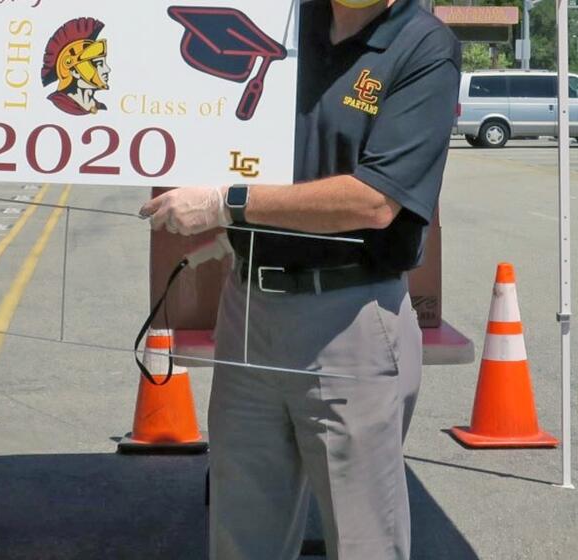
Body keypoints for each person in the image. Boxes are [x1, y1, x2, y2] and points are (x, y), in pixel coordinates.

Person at [139, 0, 460, 558]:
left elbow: (376, 200)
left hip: (349, 318)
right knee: (243, 532)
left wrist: (226, 204)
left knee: (364, 541)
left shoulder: (422, 45)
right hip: (250, 308)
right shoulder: (279, 21)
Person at [41, 17, 111, 116]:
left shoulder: (99, 106)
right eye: (99, 64)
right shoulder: (62, 103)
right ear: (74, 71)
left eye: (104, 63)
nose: (107, 69)